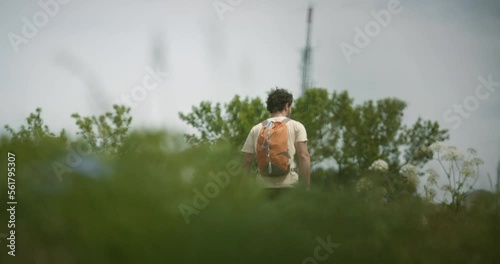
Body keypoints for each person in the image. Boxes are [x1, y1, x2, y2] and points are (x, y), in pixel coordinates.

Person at [241, 88, 310, 198]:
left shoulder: (256, 129)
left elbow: (247, 161)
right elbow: (304, 156)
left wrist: (244, 189)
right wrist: (306, 187)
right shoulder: (296, 126)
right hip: (289, 186)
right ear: (287, 106)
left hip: (262, 188)